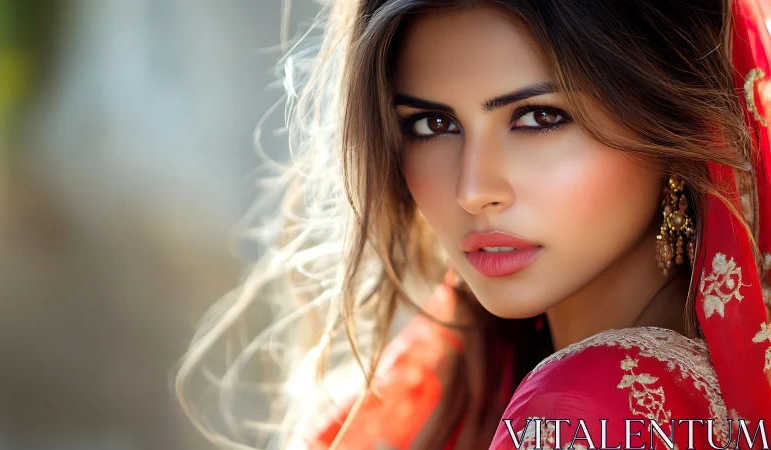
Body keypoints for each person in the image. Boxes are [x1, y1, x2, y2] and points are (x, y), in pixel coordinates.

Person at [176, 0, 771, 449]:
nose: (472, 190)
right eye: (433, 125)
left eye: (539, 117)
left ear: (678, 124)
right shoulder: (474, 370)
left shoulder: (583, 410)